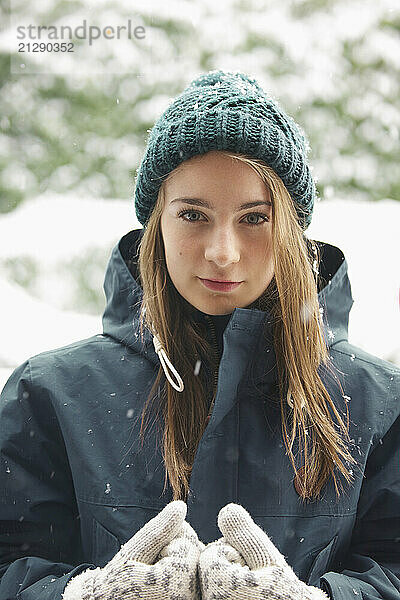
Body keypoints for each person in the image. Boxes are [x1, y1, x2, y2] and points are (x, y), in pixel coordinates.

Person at [0, 69, 399, 600]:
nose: (222, 252)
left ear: (290, 230)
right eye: (193, 214)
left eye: (254, 218)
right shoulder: (51, 394)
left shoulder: (376, 402)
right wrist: (80, 595)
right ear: (156, 223)